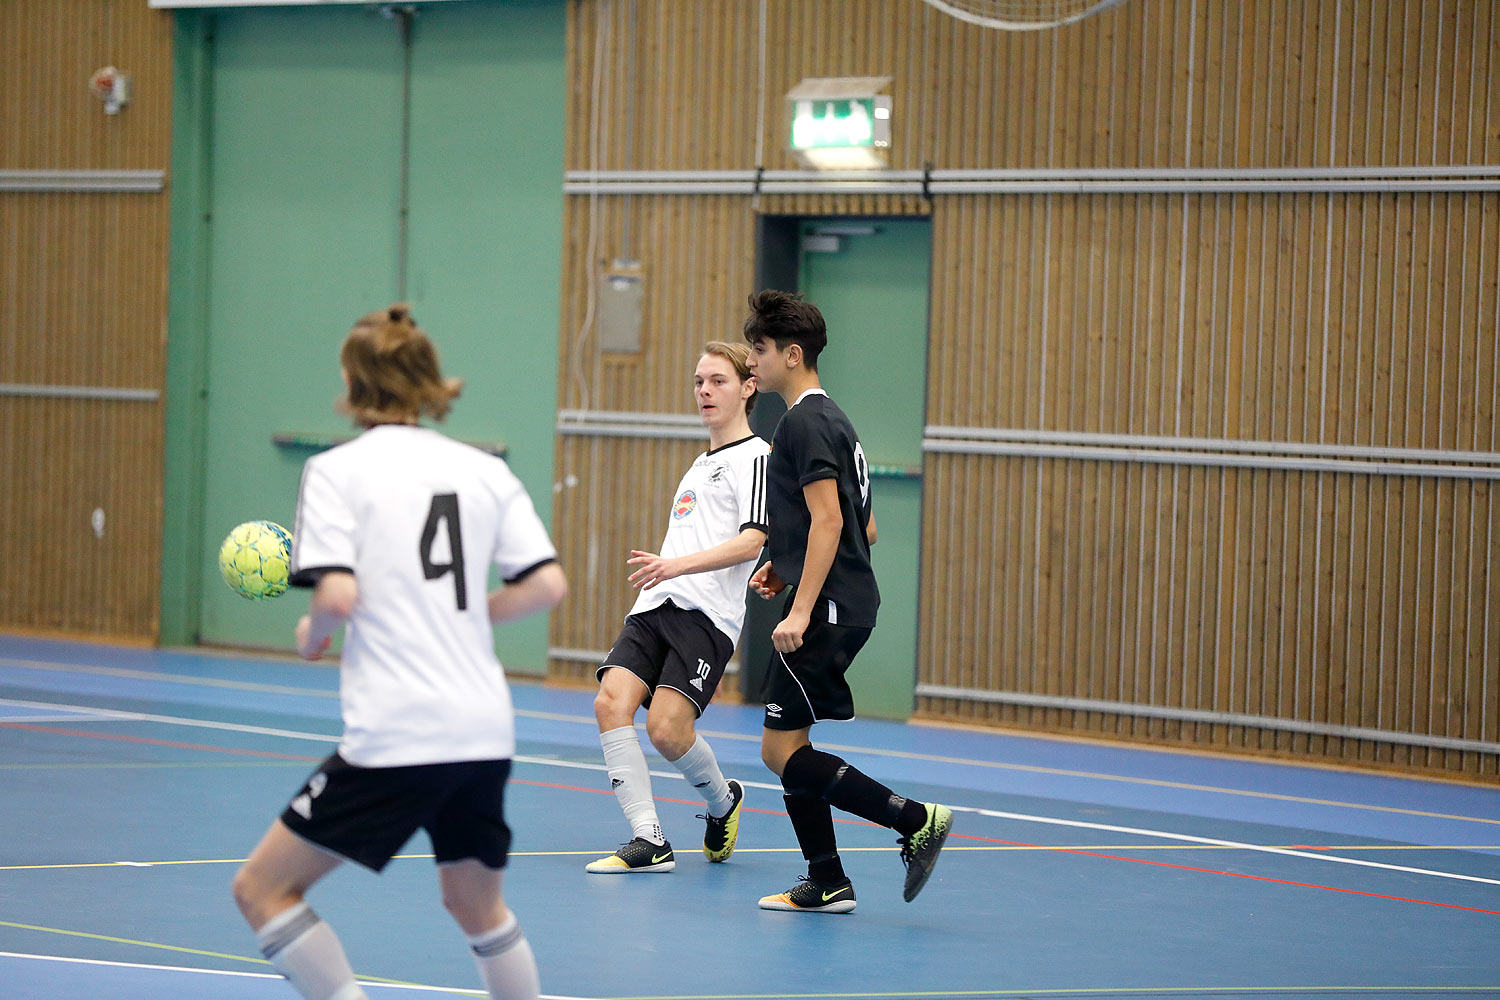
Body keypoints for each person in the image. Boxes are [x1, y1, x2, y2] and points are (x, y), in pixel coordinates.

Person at [231, 304, 567, 1000]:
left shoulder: (335, 471)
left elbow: (336, 599)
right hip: (481, 728)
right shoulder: (483, 470)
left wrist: (309, 637)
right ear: (426, 378)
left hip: (398, 730)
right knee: (477, 906)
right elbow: (548, 584)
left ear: (354, 381)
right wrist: (471, 614)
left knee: (261, 889)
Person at [742, 289, 953, 914]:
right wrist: (785, 566)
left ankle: (914, 819)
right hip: (847, 599)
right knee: (791, 745)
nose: (753, 361)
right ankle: (828, 881)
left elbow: (832, 521)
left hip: (828, 608)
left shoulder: (800, 422)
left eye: (759, 350)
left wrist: (801, 608)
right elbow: (868, 527)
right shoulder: (835, 419)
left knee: (778, 751)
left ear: (792, 353)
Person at [586, 341, 769, 873]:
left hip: (706, 616)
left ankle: (722, 800)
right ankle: (649, 838)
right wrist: (665, 574)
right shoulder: (699, 462)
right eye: (698, 382)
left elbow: (753, 540)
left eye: (718, 381)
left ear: (748, 387)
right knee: (608, 703)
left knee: (666, 730)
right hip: (656, 602)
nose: (705, 391)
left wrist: (677, 565)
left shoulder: (757, 457)